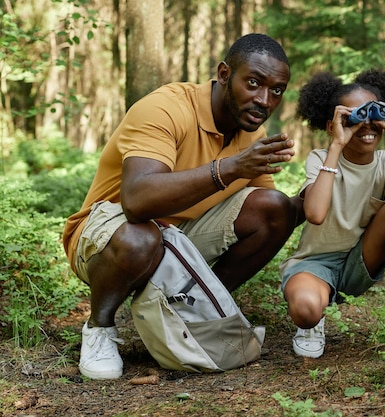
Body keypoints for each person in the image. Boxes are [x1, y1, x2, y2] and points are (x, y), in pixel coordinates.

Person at [63, 33, 302, 379]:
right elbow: (136, 202)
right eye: (253, 83)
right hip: (107, 238)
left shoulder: (252, 134)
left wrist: (323, 189)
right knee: (140, 236)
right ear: (223, 74)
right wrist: (230, 168)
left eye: (276, 90)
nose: (264, 100)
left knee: (275, 207)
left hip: (177, 240)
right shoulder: (165, 108)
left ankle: (194, 310)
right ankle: (99, 328)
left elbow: (271, 217)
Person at [279, 69, 385, 358]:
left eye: (375, 114)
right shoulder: (321, 159)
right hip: (315, 264)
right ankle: (313, 321)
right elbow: (316, 214)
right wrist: (336, 144)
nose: (367, 124)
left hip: (361, 259)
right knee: (306, 309)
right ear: (333, 123)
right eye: (354, 117)